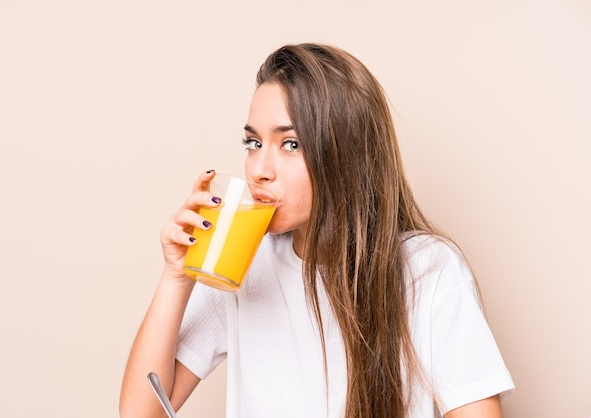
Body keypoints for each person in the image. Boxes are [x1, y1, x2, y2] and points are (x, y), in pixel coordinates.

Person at [119, 43, 514, 418]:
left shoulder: (427, 270)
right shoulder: (242, 260)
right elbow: (141, 412)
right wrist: (176, 276)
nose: (259, 169)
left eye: (290, 144)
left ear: (346, 153)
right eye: (253, 142)